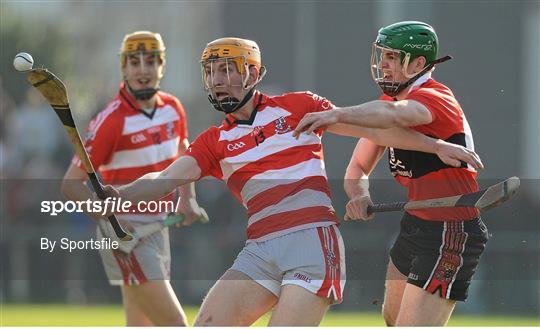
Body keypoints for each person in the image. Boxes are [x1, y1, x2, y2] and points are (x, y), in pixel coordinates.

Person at [102, 37, 483, 326]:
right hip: (259, 251)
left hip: (313, 244)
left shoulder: (298, 106)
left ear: (252, 73)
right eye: (212, 72)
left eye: (227, 70)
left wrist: (435, 146)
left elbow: (378, 133)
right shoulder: (214, 142)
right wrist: (120, 195)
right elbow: (165, 178)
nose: (218, 81)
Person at [293, 21, 488, 326]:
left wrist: (337, 113)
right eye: (382, 55)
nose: (382, 64)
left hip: (452, 229)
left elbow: (395, 116)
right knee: (391, 317)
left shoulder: (436, 99)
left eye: (393, 57)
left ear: (419, 63)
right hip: (416, 224)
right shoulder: (387, 105)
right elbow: (357, 167)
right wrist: (359, 194)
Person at [61, 31, 202, 326]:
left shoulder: (173, 108)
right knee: (174, 323)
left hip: (158, 229)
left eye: (150, 62)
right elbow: (71, 183)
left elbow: (184, 154)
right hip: (127, 237)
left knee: (140, 324)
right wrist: (106, 220)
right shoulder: (111, 121)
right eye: (134, 62)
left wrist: (188, 199)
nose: (143, 70)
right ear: (124, 68)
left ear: (161, 67)